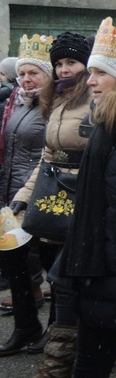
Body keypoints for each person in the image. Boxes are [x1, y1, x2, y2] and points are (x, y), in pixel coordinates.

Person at [58, 18, 116, 377]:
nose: (89, 81)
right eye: (90, 72)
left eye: (99, 73)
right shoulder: (104, 126)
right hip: (99, 270)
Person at [14, 31, 93, 377]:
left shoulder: (98, 99)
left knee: (69, 282)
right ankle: (66, 342)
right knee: (53, 274)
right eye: (58, 63)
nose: (63, 70)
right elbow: (48, 157)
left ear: (88, 64)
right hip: (52, 201)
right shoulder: (57, 99)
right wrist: (22, 199)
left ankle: (71, 351)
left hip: (81, 202)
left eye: (71, 62)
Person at [0, 36, 53, 357]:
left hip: (41, 197)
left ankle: (56, 332)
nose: (27, 79)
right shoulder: (15, 103)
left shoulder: (54, 106)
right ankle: (25, 327)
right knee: (15, 269)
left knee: (50, 268)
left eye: (34, 73)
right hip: (11, 200)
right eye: (23, 73)